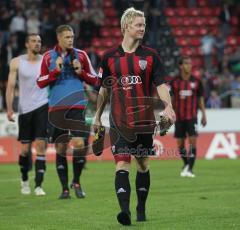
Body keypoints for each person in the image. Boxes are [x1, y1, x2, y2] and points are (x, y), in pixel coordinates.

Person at [93, 7, 175, 226]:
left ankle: (140, 207)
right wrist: (96, 116)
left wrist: (168, 107)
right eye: (139, 24)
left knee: (143, 164)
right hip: (119, 121)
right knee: (121, 164)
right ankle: (125, 211)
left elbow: (161, 85)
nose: (143, 28)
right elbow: (103, 90)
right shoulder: (108, 57)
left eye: (144, 24)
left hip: (144, 122)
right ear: (125, 26)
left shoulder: (151, 56)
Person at [37, 25, 98, 199]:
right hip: (56, 108)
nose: (70, 40)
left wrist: (82, 72)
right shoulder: (48, 56)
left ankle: (76, 181)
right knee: (61, 148)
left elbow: (95, 79)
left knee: (79, 143)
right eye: (67, 37)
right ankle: (64, 189)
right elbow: (40, 82)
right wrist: (55, 72)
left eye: (72, 37)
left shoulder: (82, 55)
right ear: (59, 38)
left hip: (77, 106)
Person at [6, 34, 48, 196]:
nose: (37, 43)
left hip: (42, 106)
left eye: (39, 41)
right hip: (24, 110)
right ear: (26, 44)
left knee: (41, 145)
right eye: (34, 41)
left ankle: (38, 185)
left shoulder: (46, 61)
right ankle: (24, 180)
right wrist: (10, 108)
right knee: (24, 149)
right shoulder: (17, 62)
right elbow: (10, 87)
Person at [169, 56, 207, 178]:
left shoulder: (196, 81)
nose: (189, 66)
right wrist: (169, 112)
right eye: (186, 63)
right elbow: (170, 99)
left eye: (190, 63)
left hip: (192, 117)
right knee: (180, 145)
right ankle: (186, 165)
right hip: (179, 118)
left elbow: (200, 99)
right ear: (180, 65)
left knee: (192, 143)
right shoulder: (174, 82)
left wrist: (204, 115)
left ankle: (190, 169)